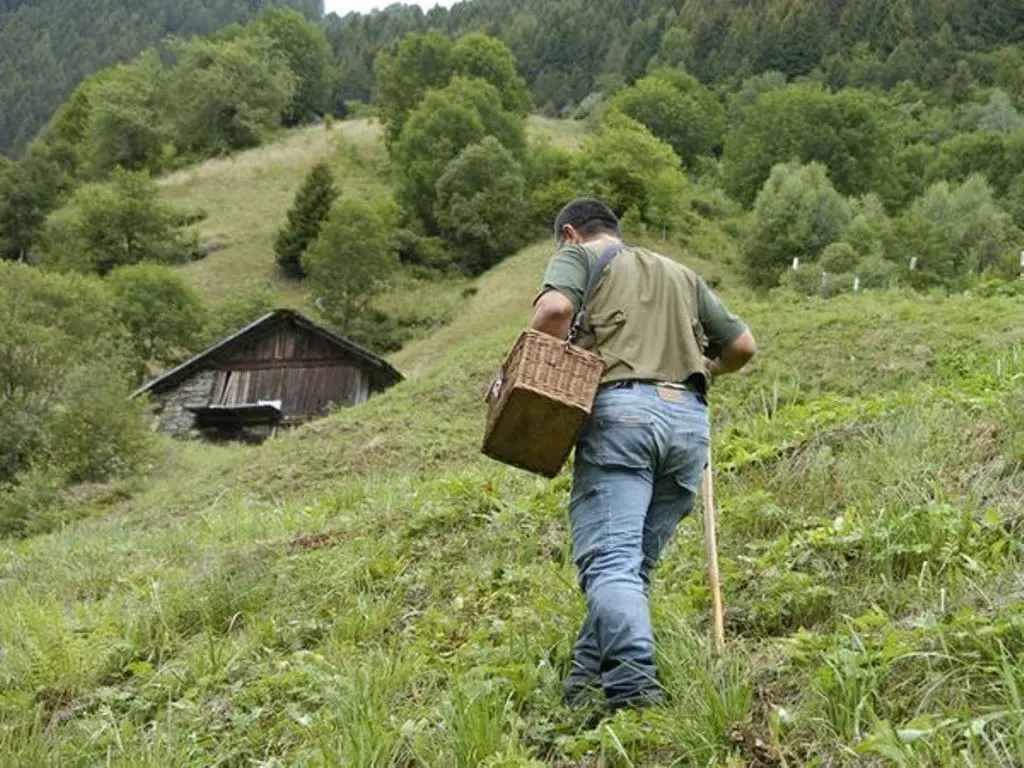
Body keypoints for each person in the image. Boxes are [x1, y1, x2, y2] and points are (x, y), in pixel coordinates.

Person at [530, 198, 756, 712]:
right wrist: (699, 369)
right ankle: (584, 691)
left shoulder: (579, 255)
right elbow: (742, 346)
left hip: (622, 417)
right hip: (688, 425)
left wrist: (537, 368)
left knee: (610, 563)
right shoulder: (679, 273)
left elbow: (554, 310)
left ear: (570, 233)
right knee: (629, 569)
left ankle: (634, 690)